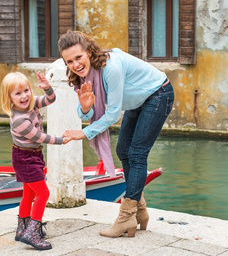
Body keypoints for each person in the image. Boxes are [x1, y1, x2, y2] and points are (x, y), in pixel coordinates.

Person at [60, 31, 174, 238]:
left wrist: (84, 133)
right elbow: (87, 110)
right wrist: (85, 108)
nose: (75, 65)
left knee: (137, 153)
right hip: (138, 101)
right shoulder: (84, 76)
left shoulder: (110, 68)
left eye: (78, 57)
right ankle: (139, 212)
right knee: (123, 150)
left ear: (89, 52)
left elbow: (112, 114)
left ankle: (126, 216)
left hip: (158, 94)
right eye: (69, 61)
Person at [0, 71, 64, 250]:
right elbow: (38, 137)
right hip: (25, 158)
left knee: (28, 193)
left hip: (31, 156)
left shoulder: (31, 103)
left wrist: (47, 87)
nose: (24, 96)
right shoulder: (19, 120)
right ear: (9, 98)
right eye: (18, 93)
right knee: (43, 194)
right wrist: (61, 140)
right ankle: (32, 233)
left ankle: (22, 229)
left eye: (26, 90)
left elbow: (50, 100)